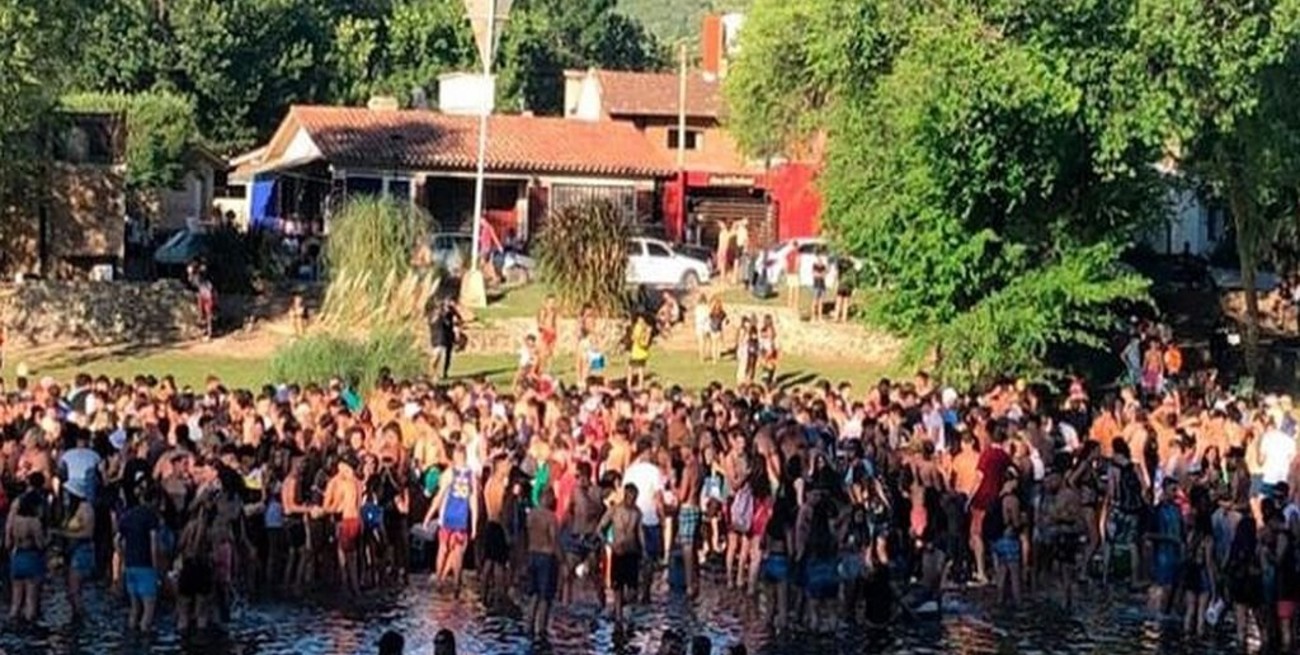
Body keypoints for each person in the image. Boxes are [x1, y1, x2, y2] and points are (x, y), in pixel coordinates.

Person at [598, 483, 644, 627]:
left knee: (632, 590)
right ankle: (618, 617)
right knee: (617, 587)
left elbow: (640, 533)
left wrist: (645, 551)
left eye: (635, 498)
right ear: (625, 495)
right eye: (631, 497)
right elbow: (600, 529)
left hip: (632, 552)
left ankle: (621, 610)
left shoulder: (637, 512)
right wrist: (609, 544)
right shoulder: (614, 510)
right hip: (618, 552)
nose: (633, 500)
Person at [118, 485, 162, 631]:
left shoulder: (128, 515)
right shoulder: (151, 516)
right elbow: (153, 543)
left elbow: (118, 540)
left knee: (134, 610)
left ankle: (131, 641)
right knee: (148, 613)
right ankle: (144, 645)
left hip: (130, 566)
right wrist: (156, 570)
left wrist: (122, 563)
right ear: (155, 500)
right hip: (146, 566)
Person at [325, 455, 364, 597]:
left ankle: (346, 587)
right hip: (356, 521)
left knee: (343, 557)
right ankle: (356, 589)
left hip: (345, 521)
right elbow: (358, 505)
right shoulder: (358, 483)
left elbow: (334, 507)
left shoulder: (341, 484)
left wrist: (324, 510)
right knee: (353, 558)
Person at [526, 486, 562, 638]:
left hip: (532, 554)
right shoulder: (551, 517)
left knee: (534, 594)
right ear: (545, 497)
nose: (554, 500)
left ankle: (529, 625)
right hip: (547, 558)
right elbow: (554, 541)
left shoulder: (531, 515)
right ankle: (541, 629)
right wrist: (562, 560)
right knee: (545, 597)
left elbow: (526, 535)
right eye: (552, 496)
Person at [7, 490, 46, 622]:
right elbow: (40, 544)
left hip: (17, 558)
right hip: (31, 558)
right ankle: (29, 632)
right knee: (30, 600)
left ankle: (12, 627)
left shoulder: (15, 520)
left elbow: (9, 542)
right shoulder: (34, 522)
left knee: (15, 602)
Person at [429, 298, 463, 379]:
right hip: (439, 337)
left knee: (446, 355)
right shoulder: (437, 315)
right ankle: (433, 373)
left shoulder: (450, 312)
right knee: (437, 355)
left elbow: (458, 319)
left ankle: (443, 372)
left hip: (447, 336)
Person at [628, 315, 652, 390]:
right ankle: (630, 384)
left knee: (638, 369)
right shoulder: (638, 327)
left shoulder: (647, 329)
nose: (639, 320)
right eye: (638, 319)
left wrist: (638, 340)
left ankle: (639, 385)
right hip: (636, 351)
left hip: (640, 352)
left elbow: (645, 343)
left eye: (641, 319)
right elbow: (633, 337)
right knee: (633, 368)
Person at [536, 294, 559, 372]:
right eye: (550, 302)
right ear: (546, 302)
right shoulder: (543, 311)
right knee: (542, 354)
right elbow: (540, 324)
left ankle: (548, 371)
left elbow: (554, 323)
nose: (551, 304)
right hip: (545, 333)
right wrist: (547, 329)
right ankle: (540, 370)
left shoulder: (554, 312)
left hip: (552, 334)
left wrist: (555, 332)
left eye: (553, 302)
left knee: (550, 354)